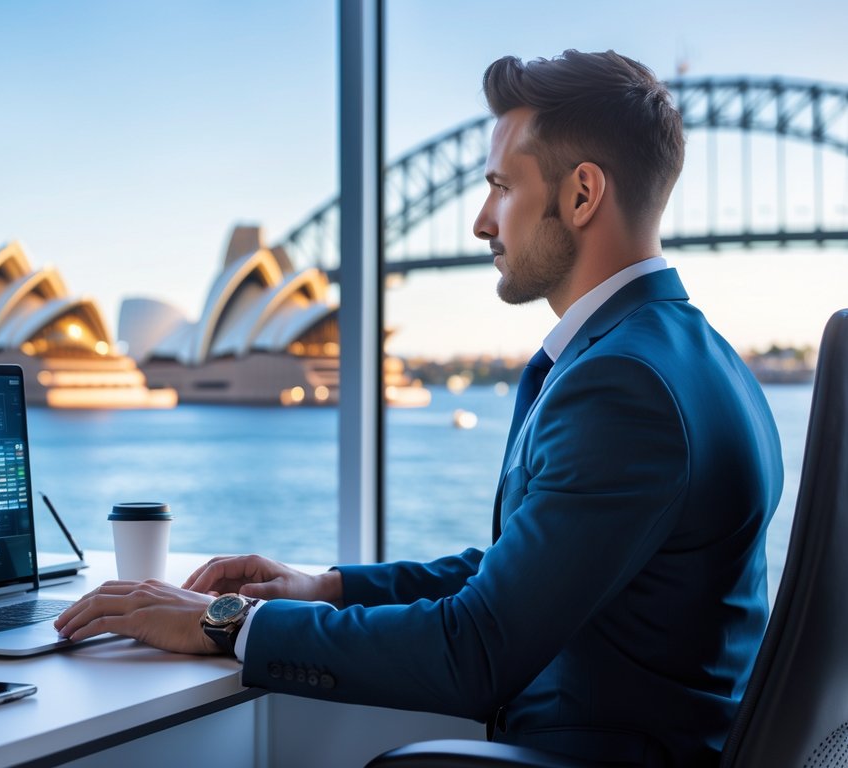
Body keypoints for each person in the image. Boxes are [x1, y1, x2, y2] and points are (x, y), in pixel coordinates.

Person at [54, 49, 783, 767]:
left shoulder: (623, 387)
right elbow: (526, 571)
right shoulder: (697, 360)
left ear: (582, 194)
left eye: (501, 186)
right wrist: (327, 587)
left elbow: (475, 650)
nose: (480, 221)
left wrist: (229, 623)